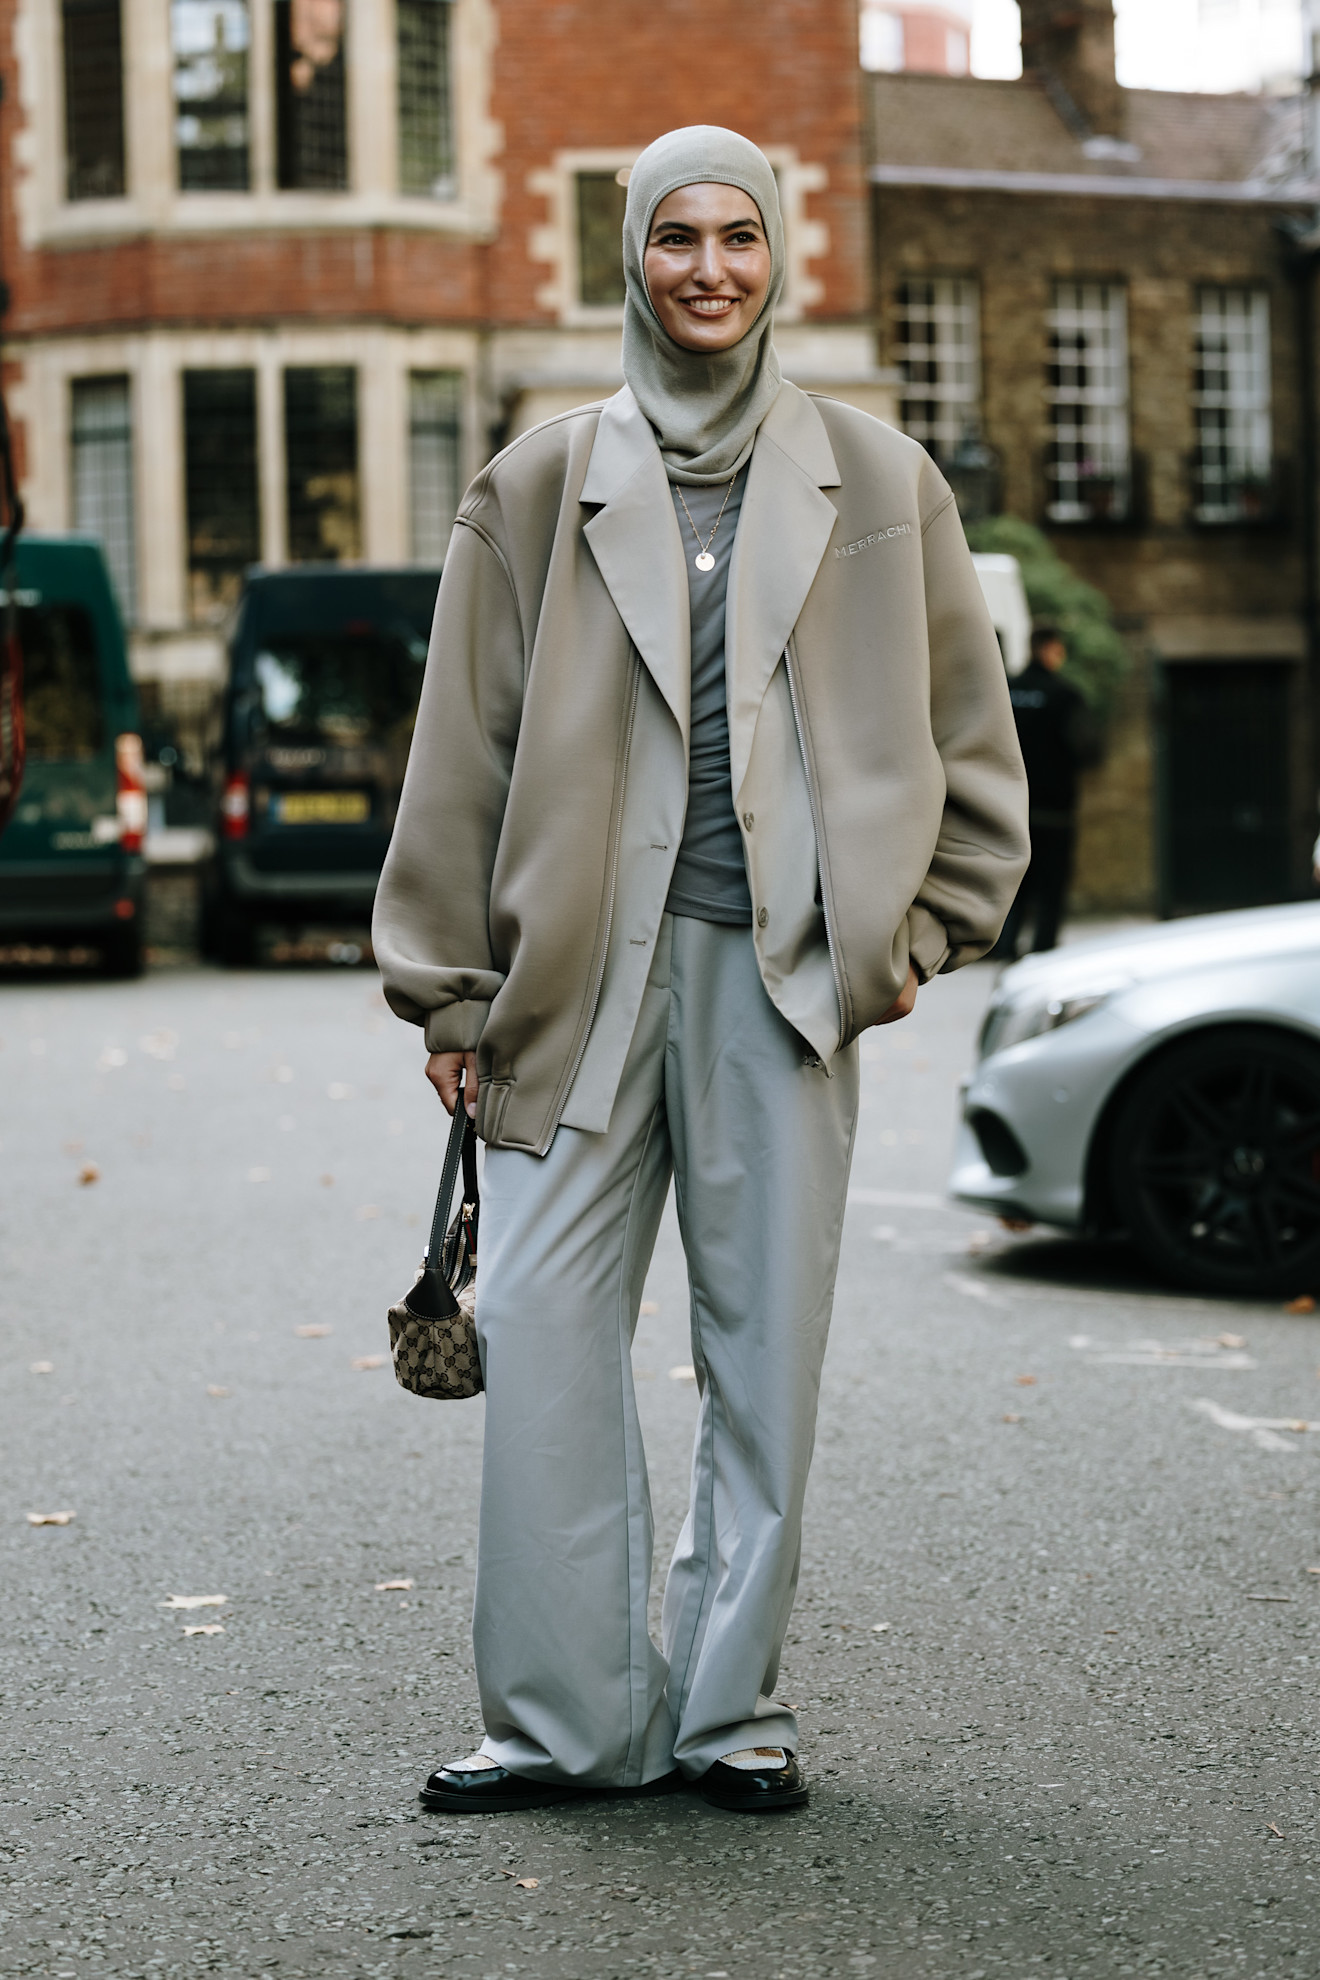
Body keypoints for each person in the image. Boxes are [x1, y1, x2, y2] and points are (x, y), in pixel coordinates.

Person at [372, 126, 1028, 1818]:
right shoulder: (535, 483)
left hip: (785, 982)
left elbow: (973, 744)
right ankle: (562, 1725)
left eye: (740, 235)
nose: (711, 268)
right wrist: (447, 992)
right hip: (572, 986)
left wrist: (917, 940)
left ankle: (731, 1717)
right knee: (538, 1332)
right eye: (679, 237)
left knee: (763, 1353)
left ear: (778, 253)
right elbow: (463, 753)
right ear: (633, 258)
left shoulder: (882, 482)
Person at [994, 622, 1101, 960]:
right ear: (1052, 649)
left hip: (1010, 809)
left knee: (1013, 884)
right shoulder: (1065, 695)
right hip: (1054, 812)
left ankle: (1005, 946)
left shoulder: (1005, 691)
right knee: (1051, 887)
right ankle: (1043, 953)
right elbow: (1087, 750)